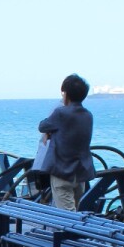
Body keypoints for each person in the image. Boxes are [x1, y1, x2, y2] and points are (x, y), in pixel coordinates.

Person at [36, 73, 95, 211]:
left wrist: (50, 132)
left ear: (66, 94)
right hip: (80, 173)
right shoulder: (88, 115)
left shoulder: (60, 113)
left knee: (68, 215)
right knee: (74, 209)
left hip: (62, 172)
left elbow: (43, 126)